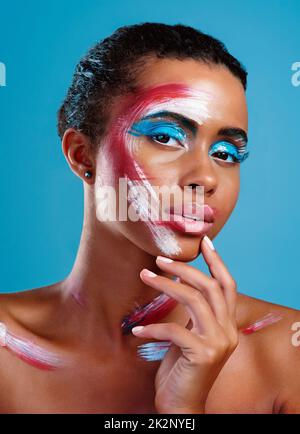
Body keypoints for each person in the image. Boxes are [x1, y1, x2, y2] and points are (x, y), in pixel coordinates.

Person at [0, 23, 299, 414]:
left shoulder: (285, 354)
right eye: (166, 137)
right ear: (82, 154)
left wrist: (183, 411)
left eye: (225, 152)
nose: (206, 178)